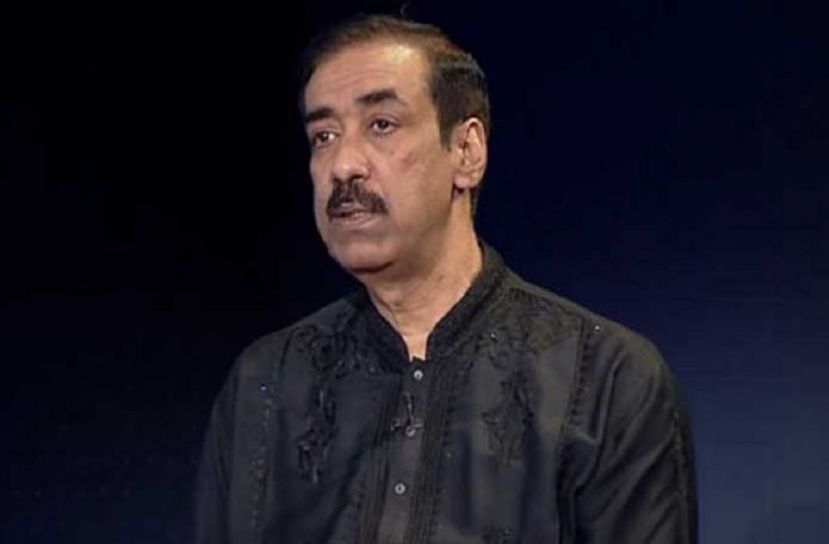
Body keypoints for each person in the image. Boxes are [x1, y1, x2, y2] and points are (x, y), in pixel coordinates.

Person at [195, 14, 697, 544]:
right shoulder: (264, 383)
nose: (342, 165)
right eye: (324, 136)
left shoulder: (607, 380)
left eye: (381, 125)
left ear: (466, 151)